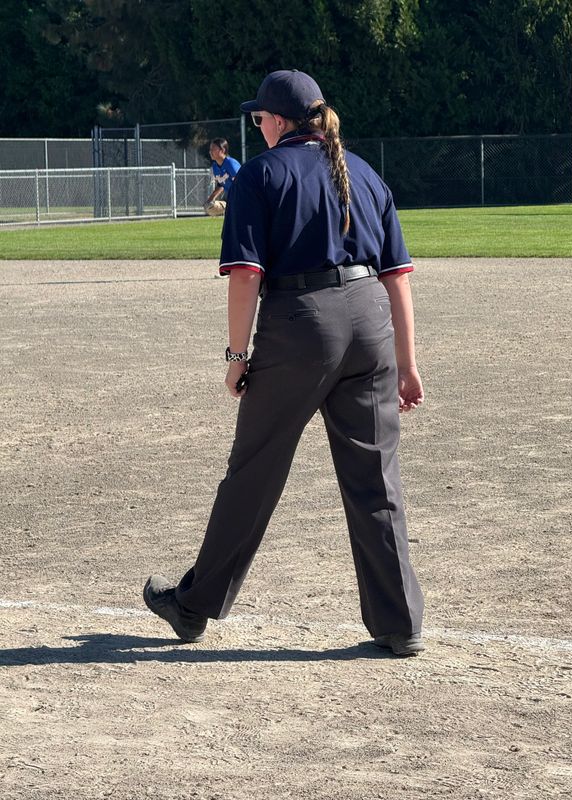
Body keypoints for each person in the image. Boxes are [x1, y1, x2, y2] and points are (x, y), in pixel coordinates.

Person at [145, 69, 425, 657]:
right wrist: (407, 362)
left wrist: (237, 355)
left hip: (302, 325)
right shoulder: (365, 174)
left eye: (259, 118)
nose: (258, 127)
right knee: (376, 477)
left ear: (277, 121)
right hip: (370, 323)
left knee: (254, 471)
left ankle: (194, 607)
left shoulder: (260, 175)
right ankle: (400, 624)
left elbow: (248, 274)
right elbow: (397, 276)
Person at [204, 138, 241, 216]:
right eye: (210, 149)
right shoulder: (215, 166)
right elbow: (221, 184)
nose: (210, 152)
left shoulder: (231, 164)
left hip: (243, 198)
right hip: (232, 199)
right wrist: (210, 199)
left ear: (222, 150)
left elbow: (242, 183)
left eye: (213, 149)